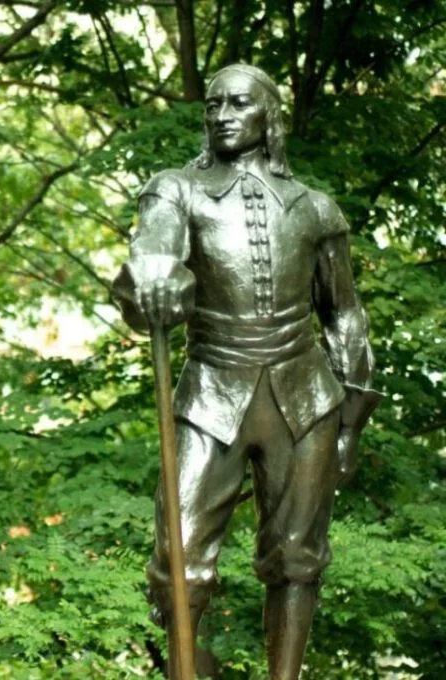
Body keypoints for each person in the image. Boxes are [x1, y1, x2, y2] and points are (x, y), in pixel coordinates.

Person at [112, 64, 381, 680]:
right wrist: (151, 278)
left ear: (268, 115)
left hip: (305, 394)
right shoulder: (175, 189)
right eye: (212, 106)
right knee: (175, 561)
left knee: (296, 557)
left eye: (237, 104)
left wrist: (351, 423)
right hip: (212, 391)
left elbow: (343, 314)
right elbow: (153, 252)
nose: (222, 115)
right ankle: (189, 666)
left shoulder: (315, 209)